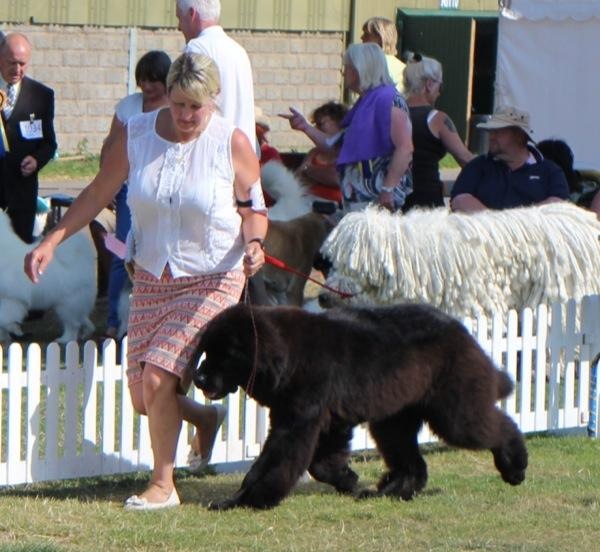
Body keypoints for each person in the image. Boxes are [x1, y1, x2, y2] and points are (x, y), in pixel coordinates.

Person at [24, 53, 268, 510]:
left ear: (212, 101)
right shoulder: (137, 134)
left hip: (212, 273)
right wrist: (52, 240)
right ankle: (204, 418)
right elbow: (98, 191)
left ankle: (163, 485)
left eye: (196, 107)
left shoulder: (229, 142)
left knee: (158, 377)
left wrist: (254, 244)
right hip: (153, 271)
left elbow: (254, 208)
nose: (185, 116)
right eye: (178, 105)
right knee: (142, 396)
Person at [281, 43, 413, 212]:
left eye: (348, 67)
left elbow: (405, 148)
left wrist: (388, 190)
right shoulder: (365, 102)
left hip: (377, 199)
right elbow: (333, 144)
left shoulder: (389, 100)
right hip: (360, 199)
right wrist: (305, 127)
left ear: (361, 69)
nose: (344, 72)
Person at [100, 50, 171, 340]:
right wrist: (107, 183)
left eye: (154, 80)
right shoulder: (128, 107)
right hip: (130, 190)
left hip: (163, 192)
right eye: (143, 79)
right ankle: (114, 321)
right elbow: (110, 145)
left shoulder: (174, 107)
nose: (148, 86)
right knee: (123, 254)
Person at [450, 106, 569, 212]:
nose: (491, 137)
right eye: (490, 131)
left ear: (519, 136)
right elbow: (459, 200)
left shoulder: (550, 171)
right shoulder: (478, 166)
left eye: (497, 132)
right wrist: (498, 224)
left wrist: (514, 225)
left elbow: (557, 204)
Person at [0, 32, 57, 243]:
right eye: (11, 63)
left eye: (22, 64)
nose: (17, 69)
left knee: (19, 253)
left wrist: (36, 160)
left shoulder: (42, 96)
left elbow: (49, 143)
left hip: (21, 195)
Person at [176, 0, 255, 146]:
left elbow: (189, 109)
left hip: (212, 153)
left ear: (192, 14)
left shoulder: (197, 47)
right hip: (242, 154)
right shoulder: (239, 50)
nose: (179, 27)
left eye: (179, 18)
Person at [403, 53, 474, 209]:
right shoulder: (437, 119)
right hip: (426, 202)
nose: (439, 92)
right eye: (440, 86)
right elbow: (464, 158)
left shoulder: (394, 113)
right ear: (429, 84)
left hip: (397, 199)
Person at [295, 101, 348, 205]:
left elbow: (337, 178)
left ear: (339, 121)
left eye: (321, 124)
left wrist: (309, 171)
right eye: (315, 125)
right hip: (306, 203)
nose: (316, 129)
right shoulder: (314, 152)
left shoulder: (346, 152)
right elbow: (297, 179)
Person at [360, 16, 405, 94]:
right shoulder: (402, 67)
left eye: (367, 34)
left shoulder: (375, 66)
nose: (362, 37)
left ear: (381, 38)